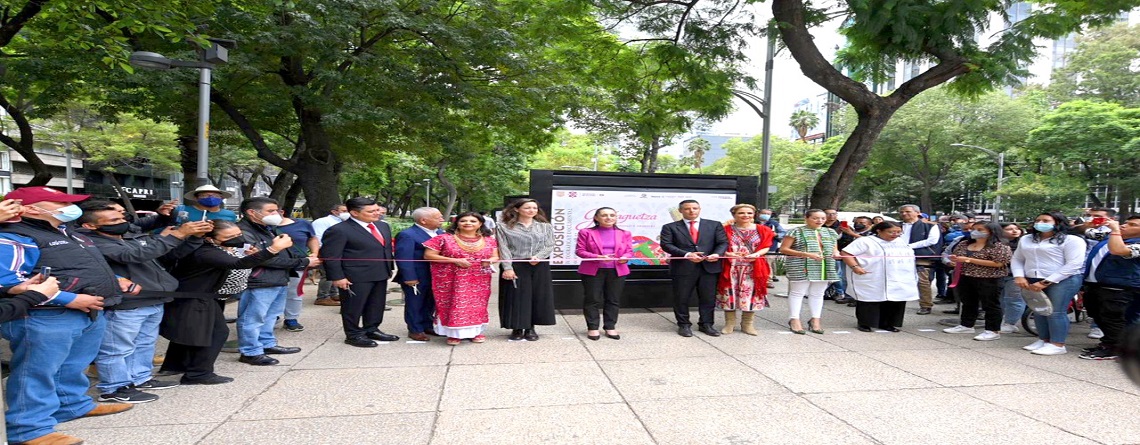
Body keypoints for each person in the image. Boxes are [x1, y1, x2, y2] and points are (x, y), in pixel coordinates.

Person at [0, 187, 132, 445]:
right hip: (45, 315)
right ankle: (28, 429)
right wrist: (71, 299)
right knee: (37, 371)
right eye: (59, 203)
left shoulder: (65, 231)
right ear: (29, 208)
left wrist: (115, 281)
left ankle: (73, 404)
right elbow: (10, 282)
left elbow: (77, 266)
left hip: (87, 311)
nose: (69, 207)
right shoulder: (13, 236)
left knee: (72, 364)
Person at [77, 201, 213, 404]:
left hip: (152, 298)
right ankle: (114, 388)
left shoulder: (131, 236)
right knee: (117, 348)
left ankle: (140, 378)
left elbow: (167, 256)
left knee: (144, 344)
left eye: (122, 217)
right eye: (114, 220)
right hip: (127, 303)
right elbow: (133, 256)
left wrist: (194, 239)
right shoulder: (92, 243)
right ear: (90, 225)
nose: (122, 221)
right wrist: (178, 234)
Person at [161, 220, 292, 384]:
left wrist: (253, 255)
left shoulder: (212, 247)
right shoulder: (205, 251)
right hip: (194, 297)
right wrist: (273, 249)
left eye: (238, 234)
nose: (237, 239)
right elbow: (238, 264)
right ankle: (198, 374)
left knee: (192, 333)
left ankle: (175, 366)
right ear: (210, 238)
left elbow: (238, 260)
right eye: (230, 236)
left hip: (200, 295)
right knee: (212, 333)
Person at [235, 197, 314, 364]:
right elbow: (260, 259)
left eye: (277, 210)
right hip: (258, 281)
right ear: (252, 212)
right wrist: (304, 262)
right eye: (270, 211)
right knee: (252, 317)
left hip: (278, 278)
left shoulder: (267, 228)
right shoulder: (243, 232)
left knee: (271, 316)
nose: (276, 214)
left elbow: (282, 253)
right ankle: (250, 351)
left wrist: (303, 258)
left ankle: (266, 343)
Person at [319, 197, 398, 347]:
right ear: (354, 213)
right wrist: (338, 277)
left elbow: (385, 248)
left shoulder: (382, 226)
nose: (377, 213)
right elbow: (331, 256)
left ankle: (372, 328)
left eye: (377, 210)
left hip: (380, 272)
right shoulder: (339, 230)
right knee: (353, 307)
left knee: (376, 304)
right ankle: (353, 334)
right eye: (371, 211)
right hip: (354, 276)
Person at [1012, 212, 1086, 356]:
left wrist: (1046, 282)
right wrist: (1019, 276)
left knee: (1056, 312)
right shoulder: (1027, 239)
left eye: (1046, 220)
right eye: (1038, 220)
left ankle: (1058, 344)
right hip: (1032, 279)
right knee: (1039, 310)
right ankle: (1044, 340)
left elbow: (1073, 264)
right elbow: (1017, 259)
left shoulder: (1071, 240)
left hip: (1063, 280)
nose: (1040, 223)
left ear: (1058, 223)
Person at [423, 212, 499, 345]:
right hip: (451, 279)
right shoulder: (444, 238)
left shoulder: (489, 240)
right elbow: (429, 255)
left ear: (480, 224)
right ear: (457, 223)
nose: (468, 223)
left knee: (477, 306)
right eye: (463, 220)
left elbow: (496, 256)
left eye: (473, 221)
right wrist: (454, 260)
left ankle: (475, 332)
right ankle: (453, 333)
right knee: (454, 304)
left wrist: (490, 261)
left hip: (479, 280)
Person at [660, 200, 728, 338]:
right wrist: (686, 254)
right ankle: (684, 324)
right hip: (683, 268)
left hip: (709, 267)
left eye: (695, 208)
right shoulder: (670, 227)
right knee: (681, 297)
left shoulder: (714, 225)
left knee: (708, 298)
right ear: (680, 211)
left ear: (699, 209)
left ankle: (706, 324)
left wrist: (717, 254)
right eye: (687, 209)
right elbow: (666, 245)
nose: (691, 211)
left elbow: (722, 242)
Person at [1079, 216, 1140, 360]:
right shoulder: (1110, 235)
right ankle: (1109, 344)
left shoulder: (1134, 243)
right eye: (1125, 222)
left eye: (1132, 225)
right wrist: (1088, 224)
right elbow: (1083, 231)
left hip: (1120, 286)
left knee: (1112, 317)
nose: (1125, 225)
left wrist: (1115, 230)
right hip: (1095, 283)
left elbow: (1118, 250)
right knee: (1097, 314)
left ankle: (1114, 348)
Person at [941, 222, 1014, 341]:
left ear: (991, 232)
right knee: (968, 302)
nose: (975, 232)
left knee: (990, 304)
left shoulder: (999, 246)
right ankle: (966, 325)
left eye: (980, 229)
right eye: (974, 229)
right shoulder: (964, 243)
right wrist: (955, 260)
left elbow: (999, 263)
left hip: (990, 279)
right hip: (966, 276)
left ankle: (992, 330)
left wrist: (969, 260)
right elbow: (957, 255)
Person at [496, 198, 556, 341]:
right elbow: (503, 248)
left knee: (537, 296)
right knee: (515, 296)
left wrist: (539, 256)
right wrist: (507, 267)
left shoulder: (545, 227)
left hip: (538, 264)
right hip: (516, 264)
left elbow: (550, 244)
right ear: (517, 209)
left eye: (534, 208)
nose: (532, 211)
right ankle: (517, 328)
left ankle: (530, 327)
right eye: (527, 207)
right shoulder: (503, 227)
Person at [841, 221, 917, 332]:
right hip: (873, 275)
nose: (895, 234)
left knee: (895, 300)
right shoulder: (865, 241)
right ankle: (865, 323)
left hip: (898, 276)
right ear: (879, 230)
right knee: (870, 300)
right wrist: (855, 266)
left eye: (898, 232)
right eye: (891, 232)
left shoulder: (900, 242)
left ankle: (887, 323)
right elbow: (846, 253)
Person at [780, 209, 841, 334]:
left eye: (823, 218)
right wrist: (805, 254)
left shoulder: (830, 232)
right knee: (797, 293)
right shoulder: (796, 231)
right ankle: (794, 319)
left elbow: (835, 249)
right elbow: (784, 249)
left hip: (824, 266)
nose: (820, 221)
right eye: (815, 218)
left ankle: (815, 319)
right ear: (806, 218)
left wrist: (836, 253)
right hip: (800, 265)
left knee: (818, 293)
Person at [576, 207, 633, 340]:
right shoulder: (586, 232)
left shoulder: (625, 233)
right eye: (604, 215)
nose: (609, 218)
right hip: (593, 270)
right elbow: (580, 251)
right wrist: (597, 257)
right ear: (596, 218)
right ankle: (592, 327)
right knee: (592, 299)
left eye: (612, 215)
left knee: (613, 299)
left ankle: (610, 326)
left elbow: (630, 250)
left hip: (617, 270)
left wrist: (626, 256)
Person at [716, 204, 773, 335]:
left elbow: (766, 246)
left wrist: (757, 254)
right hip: (731, 267)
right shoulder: (725, 229)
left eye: (749, 213)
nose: (746, 215)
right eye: (741, 213)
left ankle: (747, 324)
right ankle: (729, 323)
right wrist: (726, 253)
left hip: (753, 267)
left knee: (751, 295)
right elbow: (718, 244)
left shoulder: (763, 230)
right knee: (729, 294)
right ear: (734, 215)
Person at [395, 207, 446, 341]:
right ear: (424, 220)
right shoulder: (408, 234)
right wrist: (409, 277)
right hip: (417, 276)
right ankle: (415, 329)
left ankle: (427, 325)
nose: (442, 219)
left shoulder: (440, 232)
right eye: (438, 217)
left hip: (435, 276)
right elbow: (404, 258)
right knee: (415, 303)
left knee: (430, 302)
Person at [274, 212, 320, 332]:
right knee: (271, 293)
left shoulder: (302, 224)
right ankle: (273, 316)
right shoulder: (263, 226)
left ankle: (291, 318)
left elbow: (312, 238)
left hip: (298, 263)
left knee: (294, 292)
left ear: (281, 211)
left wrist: (314, 253)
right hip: (272, 264)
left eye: (273, 211)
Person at [898, 205, 942, 315]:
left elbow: (931, 241)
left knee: (922, 281)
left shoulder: (930, 226)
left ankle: (926, 305)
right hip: (898, 256)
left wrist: (909, 246)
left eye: (907, 211)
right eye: (902, 212)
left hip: (921, 257)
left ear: (917, 212)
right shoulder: (896, 226)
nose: (904, 214)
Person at [311, 204, 350, 307]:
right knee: (327, 274)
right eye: (344, 210)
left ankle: (333, 294)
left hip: (340, 252)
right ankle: (322, 297)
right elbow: (318, 237)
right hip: (326, 251)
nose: (347, 213)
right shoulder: (322, 221)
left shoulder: (343, 222)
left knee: (336, 273)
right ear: (334, 211)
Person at [998, 223, 1026, 333]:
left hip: (1016, 275)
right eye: (1009, 229)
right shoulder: (997, 243)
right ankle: (1001, 320)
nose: (1014, 231)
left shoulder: (1024, 243)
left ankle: (1010, 323)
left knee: (1014, 299)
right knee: (1000, 299)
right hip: (999, 275)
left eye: (1017, 228)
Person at [758, 208, 785, 288]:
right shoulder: (754, 222)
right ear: (759, 213)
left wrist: (776, 235)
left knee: (768, 263)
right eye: (764, 213)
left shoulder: (774, 223)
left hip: (770, 246)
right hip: (756, 246)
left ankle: (768, 280)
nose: (766, 215)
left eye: (768, 214)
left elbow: (783, 232)